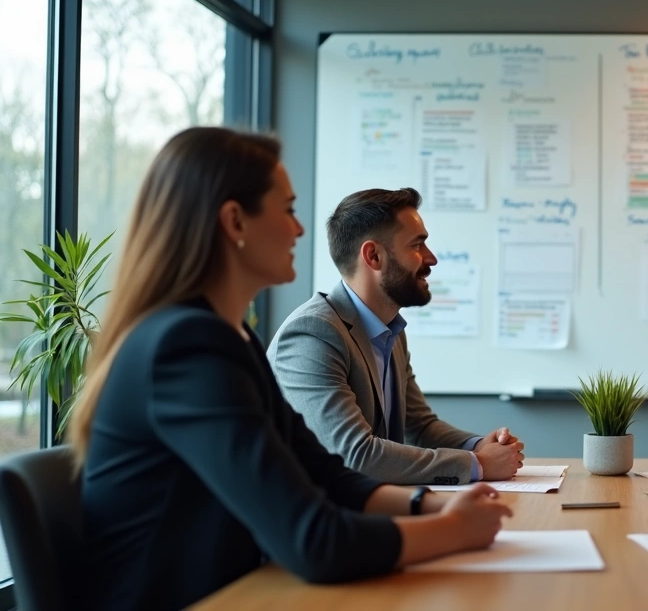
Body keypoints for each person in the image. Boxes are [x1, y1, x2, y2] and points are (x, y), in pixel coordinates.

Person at [69, 128, 512, 610]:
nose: (300, 230)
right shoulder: (186, 348)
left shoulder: (234, 339)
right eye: (288, 210)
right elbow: (314, 540)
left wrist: (434, 504)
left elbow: (325, 474)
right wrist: (449, 531)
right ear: (235, 221)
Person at [268, 188, 523, 485]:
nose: (431, 259)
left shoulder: (389, 330)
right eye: (417, 245)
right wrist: (476, 464)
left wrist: (477, 445)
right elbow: (355, 455)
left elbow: (420, 427)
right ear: (373, 256)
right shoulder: (313, 334)